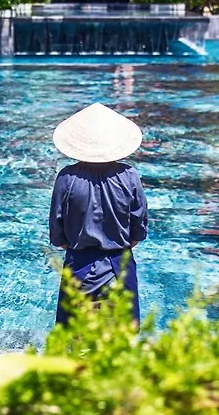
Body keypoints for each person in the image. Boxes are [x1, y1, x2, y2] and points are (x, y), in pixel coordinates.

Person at [49, 102, 147, 326]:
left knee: (73, 337)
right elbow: (139, 228)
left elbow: (57, 232)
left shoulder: (66, 178)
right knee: (122, 338)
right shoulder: (129, 176)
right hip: (119, 270)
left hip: (78, 271)